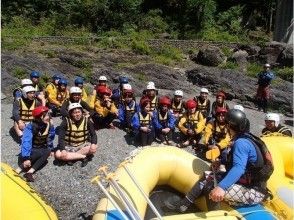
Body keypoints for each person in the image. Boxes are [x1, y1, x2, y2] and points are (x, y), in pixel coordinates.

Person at [165, 109, 273, 212]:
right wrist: (221, 162)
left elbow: (239, 168)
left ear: (230, 126)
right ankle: (184, 204)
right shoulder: (246, 138)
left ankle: (215, 215)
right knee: (208, 175)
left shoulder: (241, 143)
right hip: (250, 184)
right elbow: (245, 163)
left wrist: (221, 187)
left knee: (211, 186)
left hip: (254, 192)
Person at [16, 106, 55, 182]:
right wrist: (26, 158)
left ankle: (29, 172)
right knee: (37, 153)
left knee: (47, 151)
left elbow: (50, 138)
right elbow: (26, 142)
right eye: (46, 115)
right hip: (30, 151)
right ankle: (20, 168)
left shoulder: (48, 125)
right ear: (38, 117)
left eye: (48, 115)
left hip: (40, 148)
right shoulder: (31, 126)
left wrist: (51, 149)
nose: (48, 117)